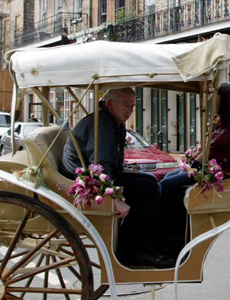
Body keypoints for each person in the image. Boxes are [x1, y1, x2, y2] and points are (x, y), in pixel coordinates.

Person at [61, 88, 173, 267]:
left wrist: (128, 170)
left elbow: (112, 163)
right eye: (126, 105)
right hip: (83, 178)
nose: (130, 110)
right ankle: (135, 251)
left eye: (132, 106)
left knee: (150, 180)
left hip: (96, 173)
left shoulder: (116, 124)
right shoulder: (103, 124)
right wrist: (114, 199)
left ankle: (143, 245)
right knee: (147, 189)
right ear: (110, 104)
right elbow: (100, 165)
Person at [158, 84, 230, 253]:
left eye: (216, 98)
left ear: (226, 99)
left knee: (168, 186)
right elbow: (208, 150)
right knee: (168, 178)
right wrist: (190, 166)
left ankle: (174, 241)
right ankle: (169, 235)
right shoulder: (222, 122)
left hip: (220, 174)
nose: (213, 102)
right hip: (205, 168)